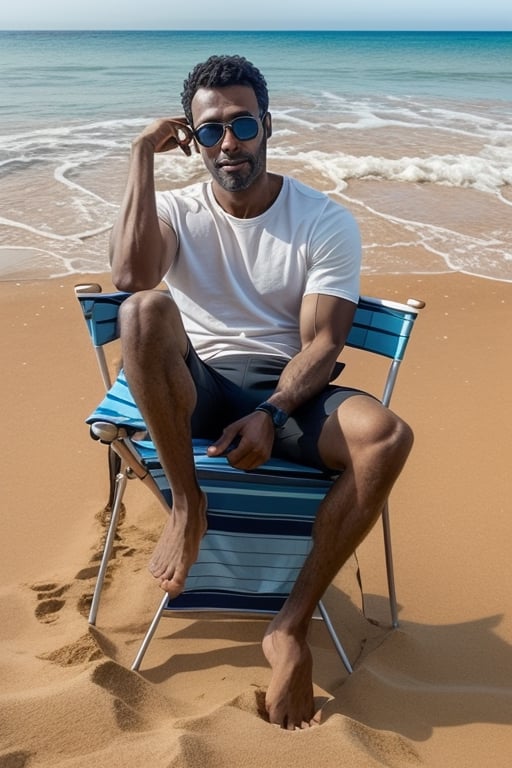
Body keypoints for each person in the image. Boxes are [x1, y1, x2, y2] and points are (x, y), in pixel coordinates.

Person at [110, 54, 413, 730]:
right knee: (142, 313)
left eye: (242, 125)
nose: (229, 144)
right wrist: (140, 155)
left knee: (388, 435)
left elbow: (324, 345)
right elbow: (131, 276)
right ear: (192, 138)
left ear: (266, 124)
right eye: (210, 130)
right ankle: (189, 506)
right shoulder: (178, 213)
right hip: (199, 382)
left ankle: (290, 626)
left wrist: (273, 412)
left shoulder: (322, 219)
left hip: (287, 389)